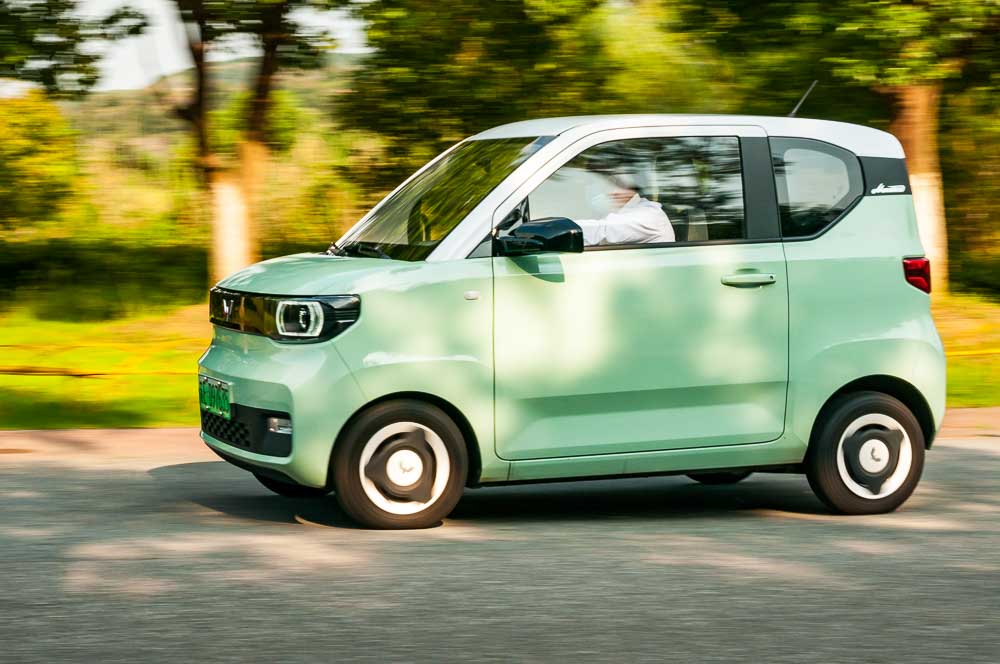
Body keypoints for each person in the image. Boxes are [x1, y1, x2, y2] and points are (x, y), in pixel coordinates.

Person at [574, 173, 674, 246]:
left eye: (621, 185)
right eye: (611, 184)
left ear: (634, 188)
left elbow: (602, 230)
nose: (613, 191)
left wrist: (560, 228)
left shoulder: (649, 214)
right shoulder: (620, 209)